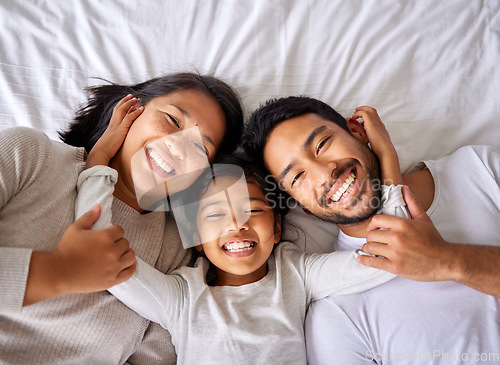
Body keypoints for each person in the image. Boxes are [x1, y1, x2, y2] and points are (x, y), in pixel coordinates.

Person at [66, 139, 408, 364]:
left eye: (254, 211)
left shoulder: (296, 274)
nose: (236, 224)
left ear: (276, 228)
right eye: (215, 214)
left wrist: (388, 162)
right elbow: (99, 251)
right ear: (197, 238)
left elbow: (386, 258)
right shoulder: (183, 296)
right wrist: (98, 165)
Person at [0, 73, 243, 364]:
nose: (178, 147)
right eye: (172, 120)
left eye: (200, 148)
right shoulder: (29, 155)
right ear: (130, 110)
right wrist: (59, 271)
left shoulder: (178, 255)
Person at [243, 96, 500, 363]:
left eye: (322, 144)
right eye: (297, 177)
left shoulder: (479, 169)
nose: (324, 174)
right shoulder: (335, 314)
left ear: (357, 130)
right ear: (300, 206)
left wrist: (449, 261)